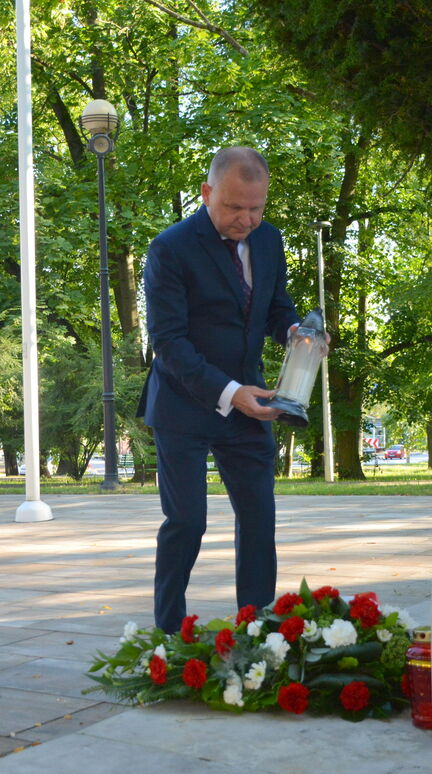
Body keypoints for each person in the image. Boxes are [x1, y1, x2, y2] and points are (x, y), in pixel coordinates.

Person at [138, 146, 310, 633]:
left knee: (259, 521)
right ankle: (168, 633)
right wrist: (230, 391)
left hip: (252, 406)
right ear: (207, 193)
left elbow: (277, 307)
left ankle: (257, 632)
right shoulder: (170, 248)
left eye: (257, 208)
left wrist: (296, 333)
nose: (247, 219)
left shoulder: (270, 241)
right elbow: (169, 342)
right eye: (235, 207)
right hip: (183, 404)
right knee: (187, 522)